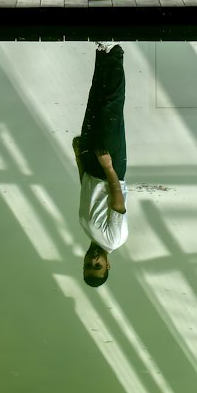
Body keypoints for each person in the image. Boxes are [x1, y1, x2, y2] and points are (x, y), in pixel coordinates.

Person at [72, 42, 128, 287]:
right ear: (108, 265)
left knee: (94, 103)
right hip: (109, 166)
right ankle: (116, 52)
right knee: (111, 107)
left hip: (92, 165)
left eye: (88, 265)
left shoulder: (89, 233)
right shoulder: (114, 240)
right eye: (98, 266)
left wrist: (78, 157)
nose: (93, 260)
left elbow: (86, 189)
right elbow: (117, 204)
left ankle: (102, 50)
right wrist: (108, 166)